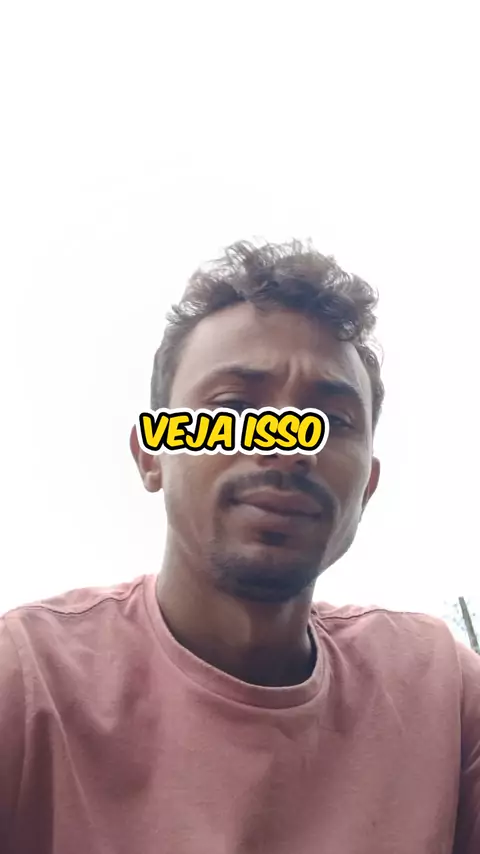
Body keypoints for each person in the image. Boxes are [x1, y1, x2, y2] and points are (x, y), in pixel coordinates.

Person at [0, 240, 478, 854]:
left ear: (368, 485)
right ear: (152, 455)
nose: (288, 445)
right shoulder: (27, 681)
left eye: (333, 421)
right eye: (233, 407)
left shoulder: (441, 690)